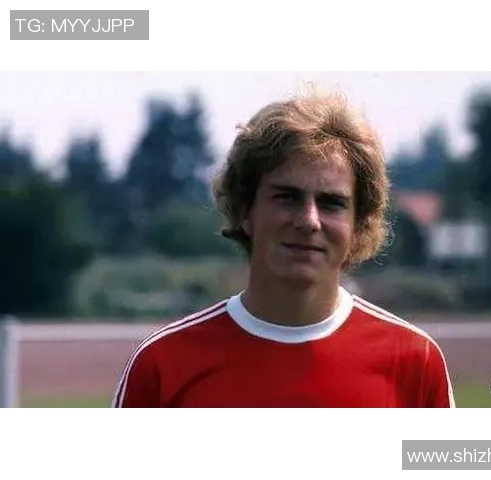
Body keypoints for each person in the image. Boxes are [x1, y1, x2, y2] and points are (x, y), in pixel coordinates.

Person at [111, 90, 455, 408]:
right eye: (287, 197)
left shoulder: (414, 362)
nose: (309, 220)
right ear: (245, 210)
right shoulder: (162, 365)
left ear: (358, 224)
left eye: (331, 203)